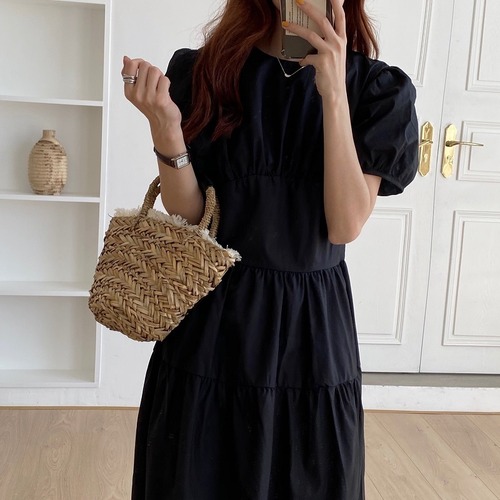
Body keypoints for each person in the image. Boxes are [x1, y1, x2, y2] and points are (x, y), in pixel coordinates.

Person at [122, 0, 418, 497]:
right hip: (212, 325)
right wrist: (166, 131)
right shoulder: (205, 72)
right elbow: (192, 217)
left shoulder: (376, 90)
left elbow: (344, 224)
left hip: (311, 336)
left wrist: (333, 93)